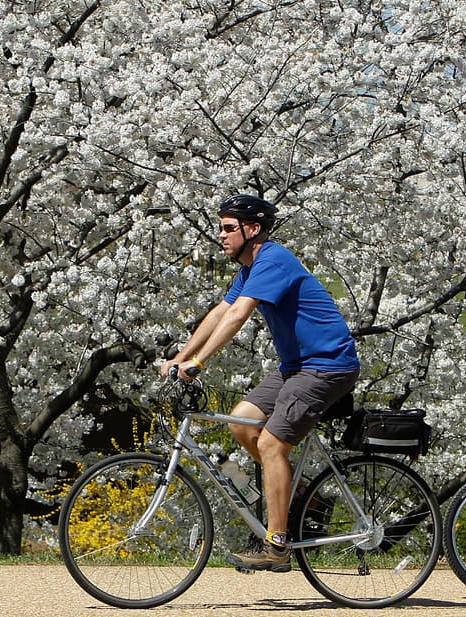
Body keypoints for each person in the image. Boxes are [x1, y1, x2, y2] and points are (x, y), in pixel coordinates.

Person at [160, 194, 361, 573]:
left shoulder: (272, 259)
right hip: (296, 367)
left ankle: (278, 545)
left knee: (270, 443)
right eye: (221, 228)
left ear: (252, 229)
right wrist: (180, 356)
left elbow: (238, 314)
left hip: (327, 365)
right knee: (241, 421)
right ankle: (300, 493)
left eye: (228, 228)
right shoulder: (250, 269)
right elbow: (220, 311)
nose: (221, 235)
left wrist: (199, 362)